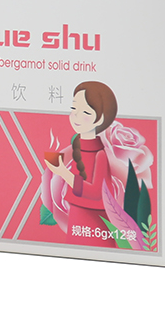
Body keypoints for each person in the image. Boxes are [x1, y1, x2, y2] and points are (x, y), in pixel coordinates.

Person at [45, 81, 118, 247]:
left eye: (85, 112)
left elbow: (96, 192)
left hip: (94, 222)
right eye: (74, 109)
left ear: (100, 118)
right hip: (77, 217)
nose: (76, 116)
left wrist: (64, 173)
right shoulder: (78, 148)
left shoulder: (100, 154)